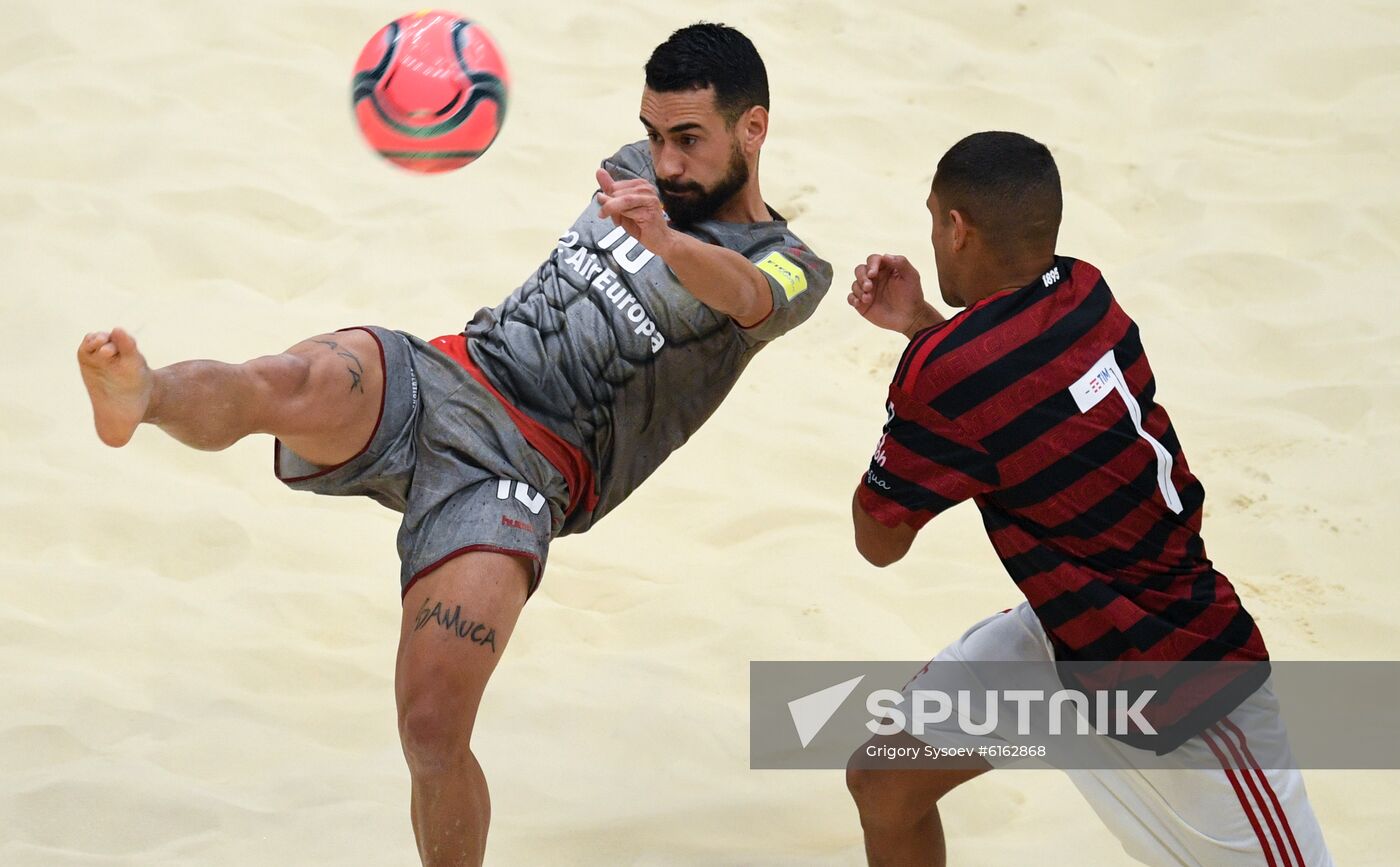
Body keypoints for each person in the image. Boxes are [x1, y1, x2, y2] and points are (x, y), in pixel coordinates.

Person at [76, 23, 830, 867]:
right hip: (449, 372)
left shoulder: (791, 265)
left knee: (431, 730)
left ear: (753, 129)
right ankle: (144, 395)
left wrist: (666, 240)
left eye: (688, 139)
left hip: (527, 470)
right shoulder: (636, 169)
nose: (665, 161)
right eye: (654, 135)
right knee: (285, 381)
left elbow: (750, 295)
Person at [842, 131, 1332, 866]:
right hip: (1067, 636)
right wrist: (922, 327)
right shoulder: (1086, 294)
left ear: (956, 227)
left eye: (933, 218)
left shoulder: (945, 376)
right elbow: (1002, 395)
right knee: (886, 779)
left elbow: (878, 540)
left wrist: (918, 364)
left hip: (1184, 675)